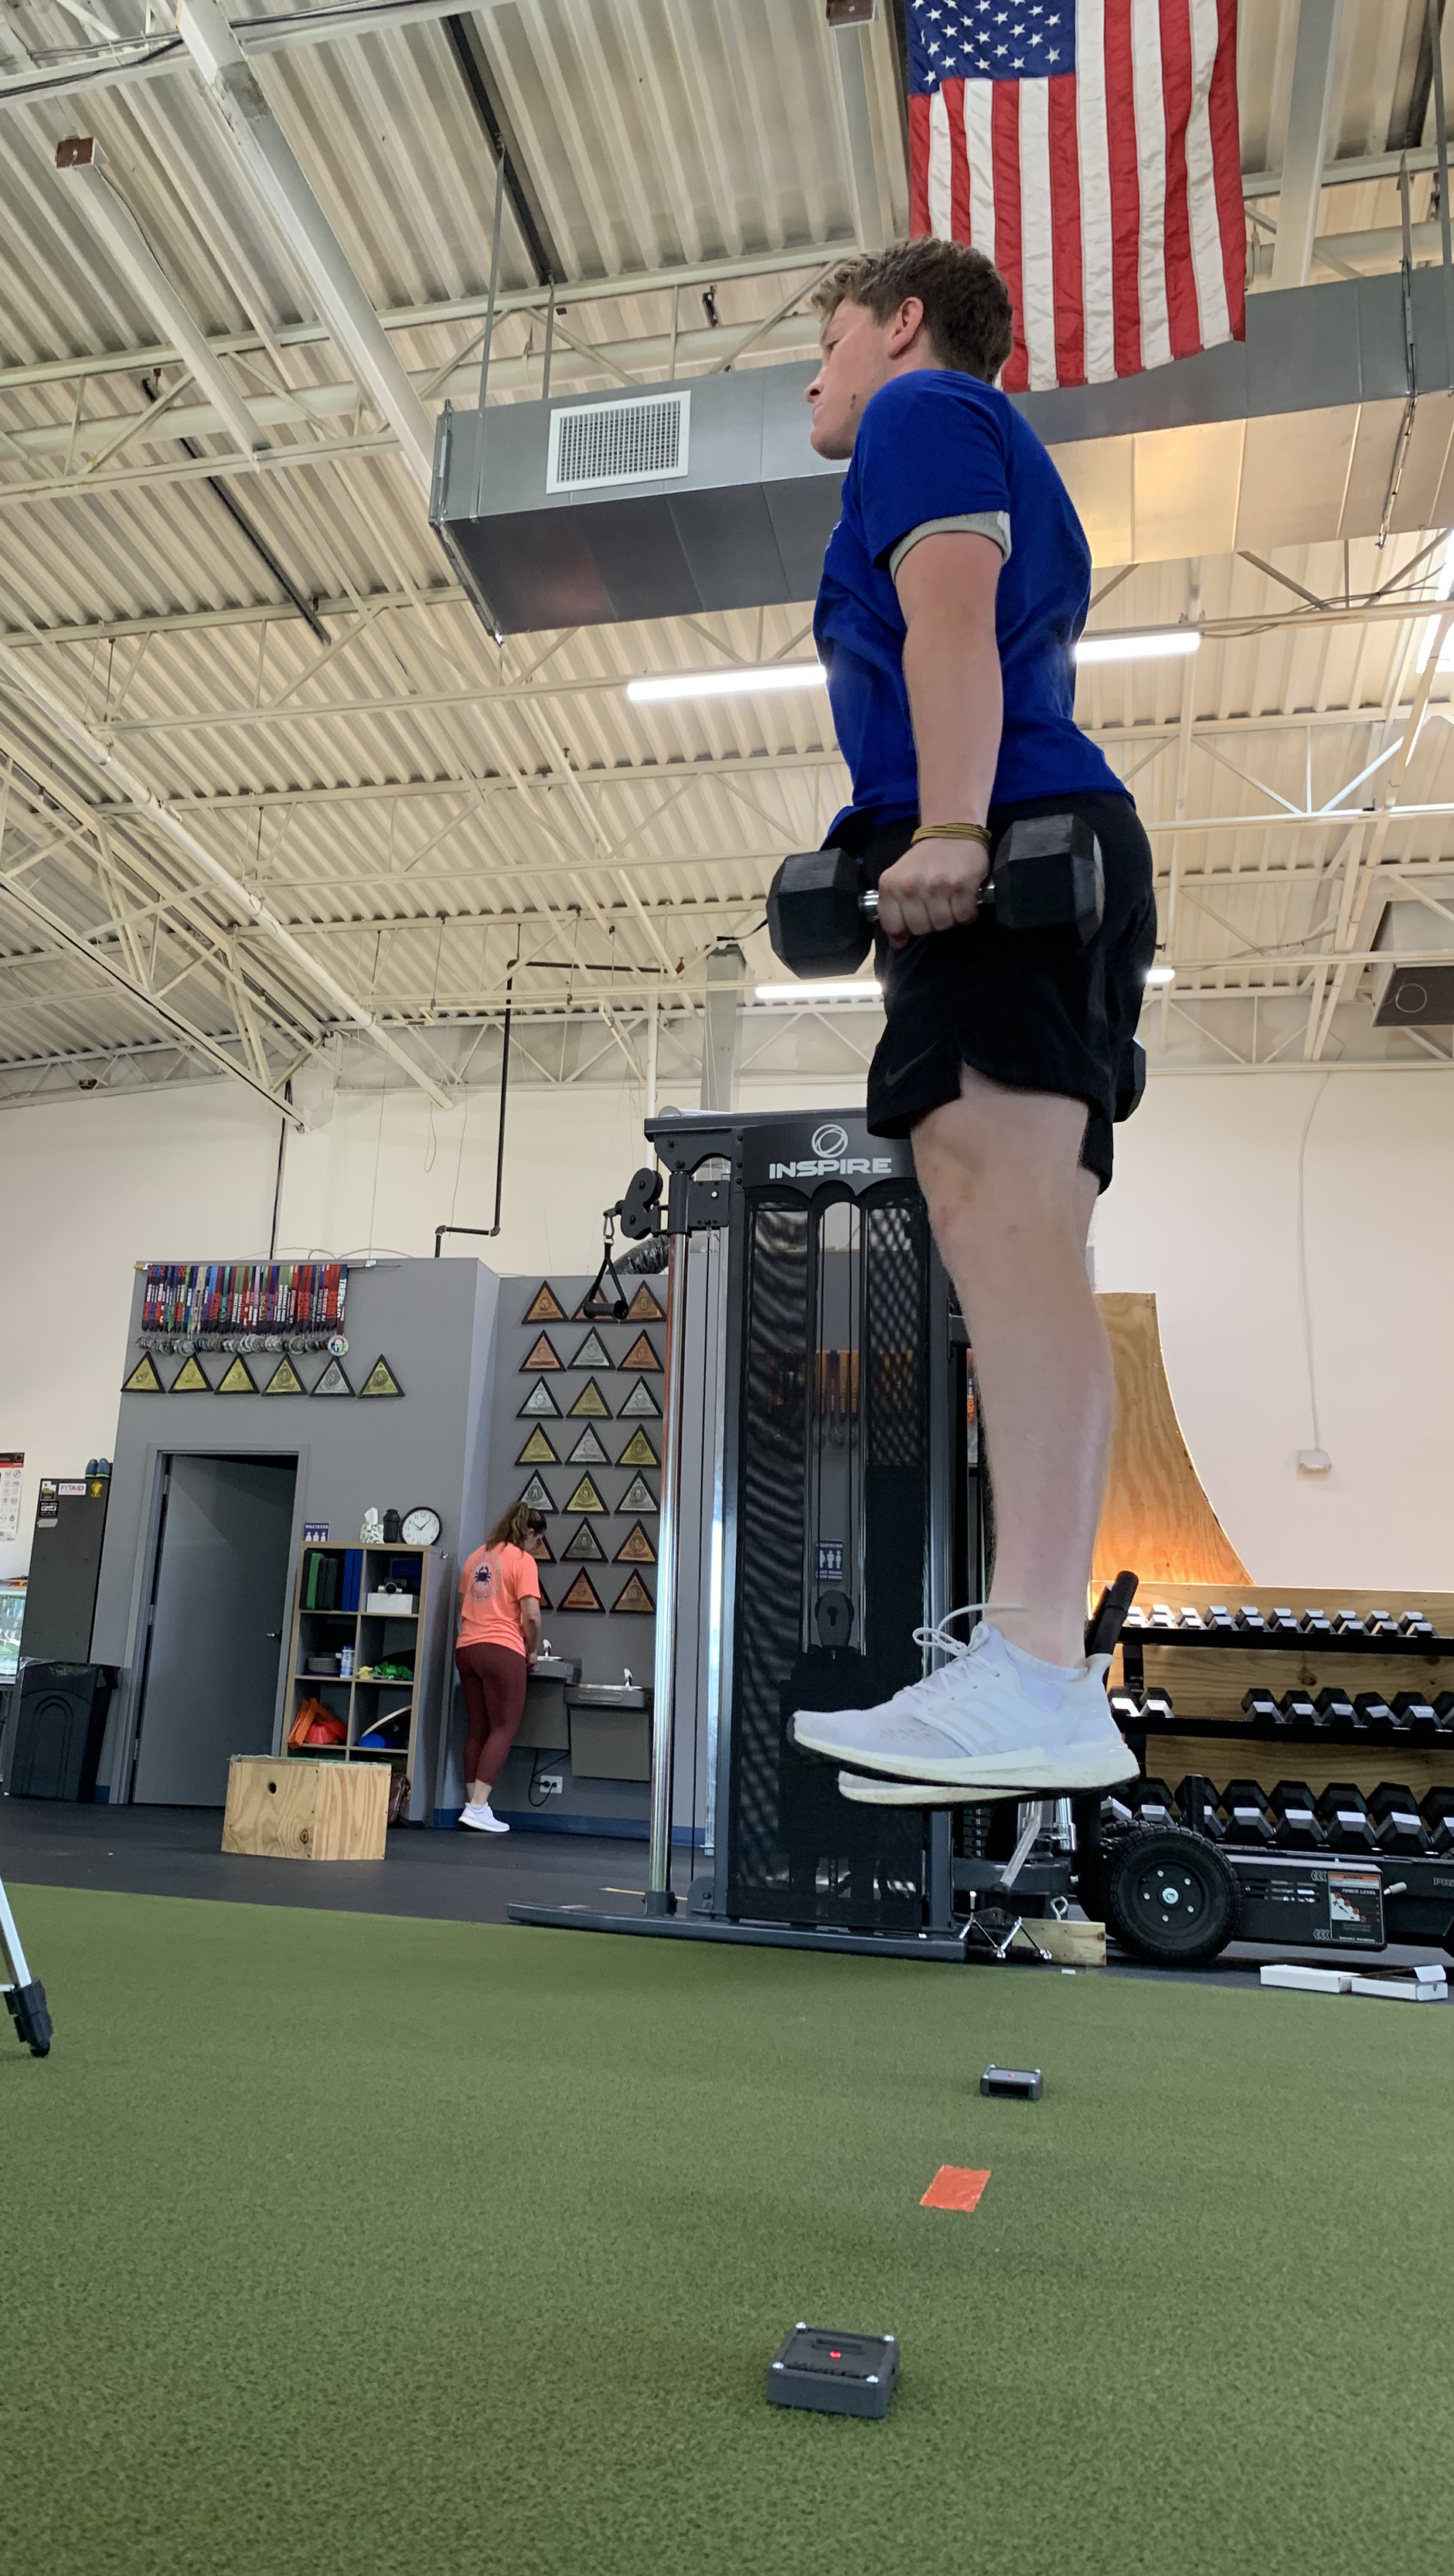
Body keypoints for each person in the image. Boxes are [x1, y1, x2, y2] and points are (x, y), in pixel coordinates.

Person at [784, 237, 1153, 1805]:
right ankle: (1035, 1660)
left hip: (1004, 840)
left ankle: (1037, 1670)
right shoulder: (939, 424)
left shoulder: (919, 414)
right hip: (1023, 837)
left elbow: (947, 614)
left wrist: (943, 825)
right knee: (1009, 1227)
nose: (813, 373)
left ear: (903, 323)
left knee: (995, 1213)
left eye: (826, 337)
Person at [453, 1501, 545, 1834]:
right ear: (530, 1533)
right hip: (502, 1648)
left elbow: (465, 1604)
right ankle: (478, 1808)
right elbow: (531, 1615)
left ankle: (472, 1805)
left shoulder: (478, 1556)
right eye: (538, 1540)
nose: (537, 1547)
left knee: (477, 1729)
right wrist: (531, 1650)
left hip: (466, 1648)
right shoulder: (523, 1560)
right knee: (503, 1729)